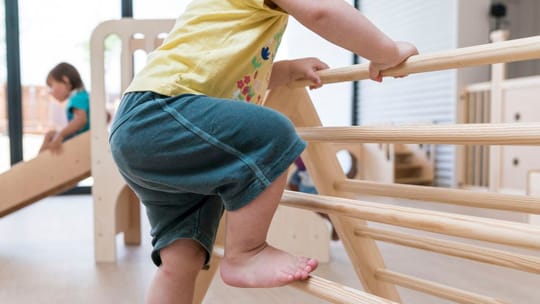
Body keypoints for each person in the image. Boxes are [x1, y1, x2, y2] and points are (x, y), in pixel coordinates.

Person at [108, 1, 418, 303]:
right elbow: (322, 12)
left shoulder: (231, 17)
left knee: (181, 262)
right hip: (162, 113)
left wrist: (284, 70)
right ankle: (246, 253)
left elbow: (232, 74)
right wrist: (386, 52)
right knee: (273, 133)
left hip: (146, 129)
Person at [39, 62, 90, 153]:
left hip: (83, 142)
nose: (51, 92)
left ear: (65, 81)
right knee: (51, 135)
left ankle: (38, 163)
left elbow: (81, 120)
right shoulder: (84, 96)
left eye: (52, 86)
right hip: (83, 139)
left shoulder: (77, 98)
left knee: (50, 136)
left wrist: (60, 135)